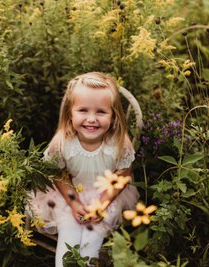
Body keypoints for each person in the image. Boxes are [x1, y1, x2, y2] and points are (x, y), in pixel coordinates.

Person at [30, 72, 139, 266]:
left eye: (101, 112)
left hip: (106, 196)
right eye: (83, 110)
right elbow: (56, 173)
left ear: (113, 116)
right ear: (70, 114)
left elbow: (123, 173)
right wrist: (74, 202)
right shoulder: (62, 143)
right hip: (69, 195)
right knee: (69, 234)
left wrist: (102, 203)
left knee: (91, 240)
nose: (91, 119)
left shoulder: (120, 144)